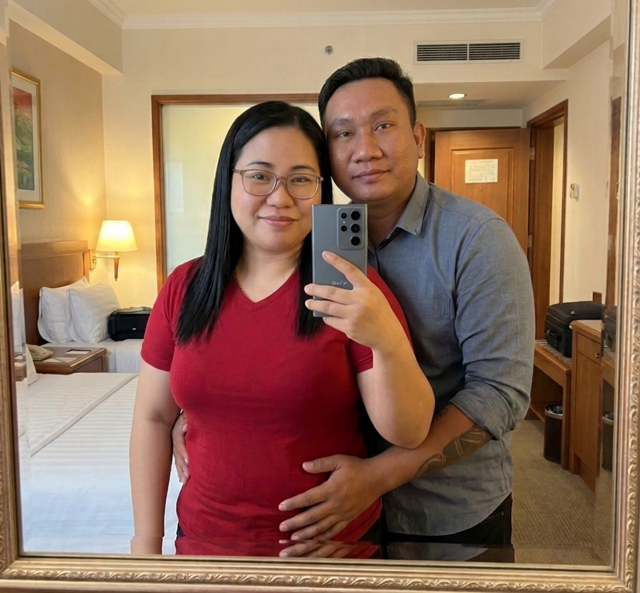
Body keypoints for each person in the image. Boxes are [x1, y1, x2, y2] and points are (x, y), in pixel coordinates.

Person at [174, 59, 535, 561]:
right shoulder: (315, 237)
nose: (365, 149)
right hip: (335, 515)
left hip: (444, 510)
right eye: (343, 133)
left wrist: (376, 477)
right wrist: (197, 412)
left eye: (383, 126)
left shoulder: (477, 240)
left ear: (418, 137)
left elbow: (500, 393)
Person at [129, 101, 435, 557]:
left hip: (327, 555)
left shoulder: (350, 287)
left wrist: (386, 339)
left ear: (321, 189)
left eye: (301, 179)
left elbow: (407, 432)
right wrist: (145, 545)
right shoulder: (184, 287)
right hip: (203, 551)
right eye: (259, 176)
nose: (280, 198)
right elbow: (153, 418)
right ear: (228, 181)